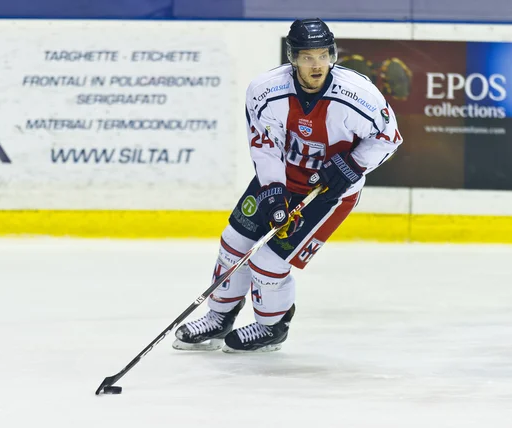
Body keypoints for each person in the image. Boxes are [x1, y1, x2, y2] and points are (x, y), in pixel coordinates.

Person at [172, 18, 403, 353]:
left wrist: (351, 165)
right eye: (308, 57)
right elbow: (265, 146)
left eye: (323, 55)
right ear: (293, 57)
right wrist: (273, 192)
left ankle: (271, 327)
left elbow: (388, 138)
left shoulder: (358, 95)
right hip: (282, 178)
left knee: (267, 262)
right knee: (233, 242)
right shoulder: (266, 91)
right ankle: (218, 317)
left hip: (328, 195)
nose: (317, 65)